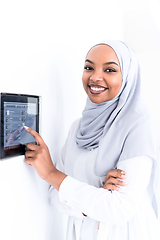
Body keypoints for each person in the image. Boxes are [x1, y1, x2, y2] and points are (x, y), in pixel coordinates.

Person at [24, 40, 160, 240]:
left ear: (128, 77)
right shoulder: (78, 128)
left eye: (110, 70)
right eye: (89, 67)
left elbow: (119, 210)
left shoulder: (138, 127)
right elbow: (55, 195)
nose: (95, 77)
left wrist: (51, 173)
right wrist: (97, 194)